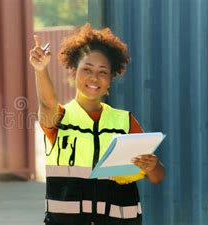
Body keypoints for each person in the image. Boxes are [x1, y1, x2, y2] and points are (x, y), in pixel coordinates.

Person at [29, 23, 165, 225]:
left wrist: (153, 166)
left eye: (103, 72)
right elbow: (47, 102)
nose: (94, 77)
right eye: (87, 69)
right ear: (74, 72)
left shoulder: (125, 121)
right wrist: (40, 70)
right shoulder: (59, 118)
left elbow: (157, 177)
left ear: (110, 79)